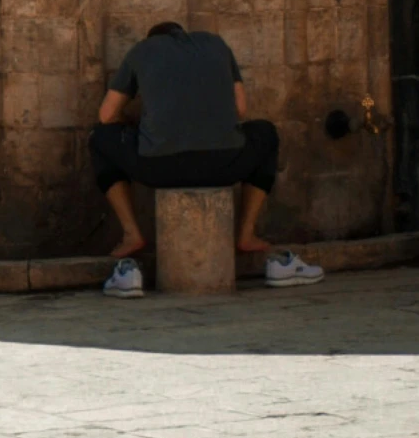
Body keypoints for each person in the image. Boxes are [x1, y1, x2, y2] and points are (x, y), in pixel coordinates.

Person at [90, 20, 324, 296]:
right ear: (183, 34)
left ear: (154, 38)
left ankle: (131, 233)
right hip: (224, 164)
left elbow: (106, 116)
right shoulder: (217, 44)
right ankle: (247, 232)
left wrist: (133, 123)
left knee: (100, 139)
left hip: (158, 168)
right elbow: (241, 109)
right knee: (266, 133)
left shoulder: (142, 50)